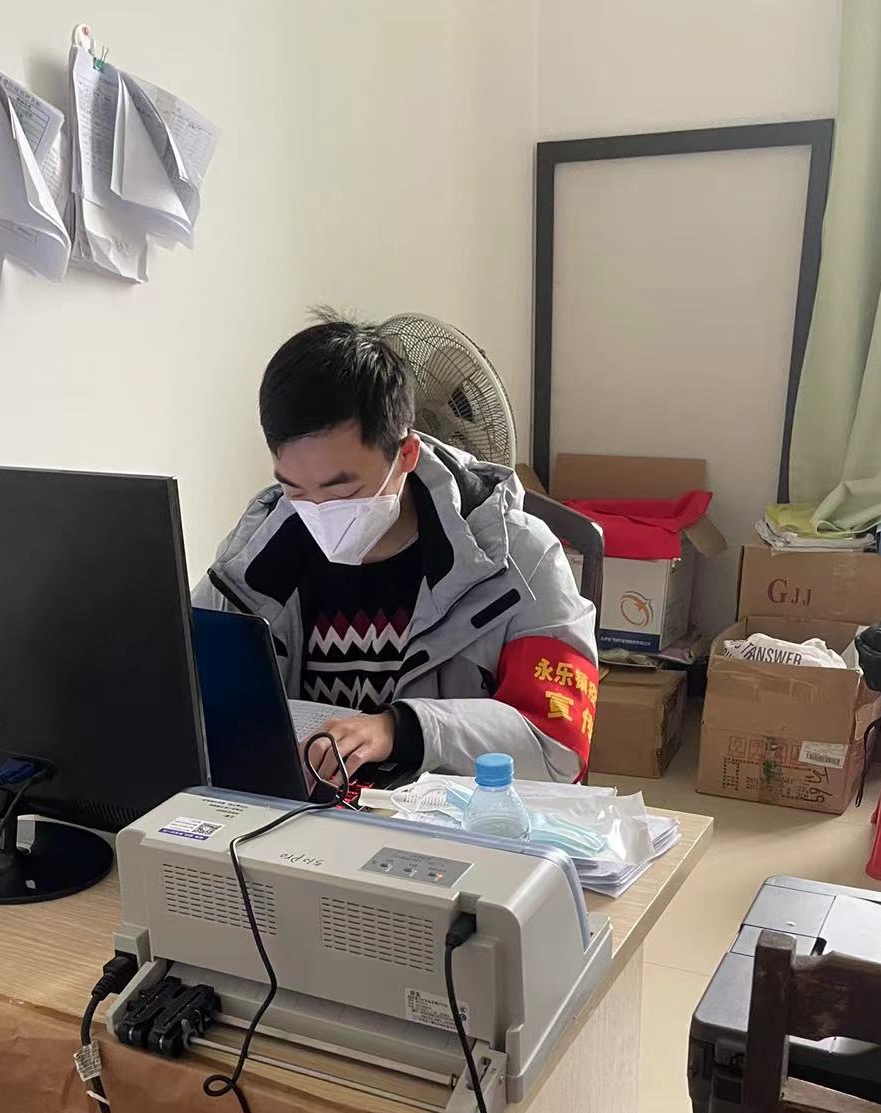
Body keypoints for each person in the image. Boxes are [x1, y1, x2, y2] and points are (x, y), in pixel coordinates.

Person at [193, 315, 598, 786]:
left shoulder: (519, 560)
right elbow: (184, 687)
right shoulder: (253, 556)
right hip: (296, 814)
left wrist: (402, 730)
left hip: (444, 819)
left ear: (406, 454)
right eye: (294, 489)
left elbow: (557, 746)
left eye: (342, 491)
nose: (318, 512)